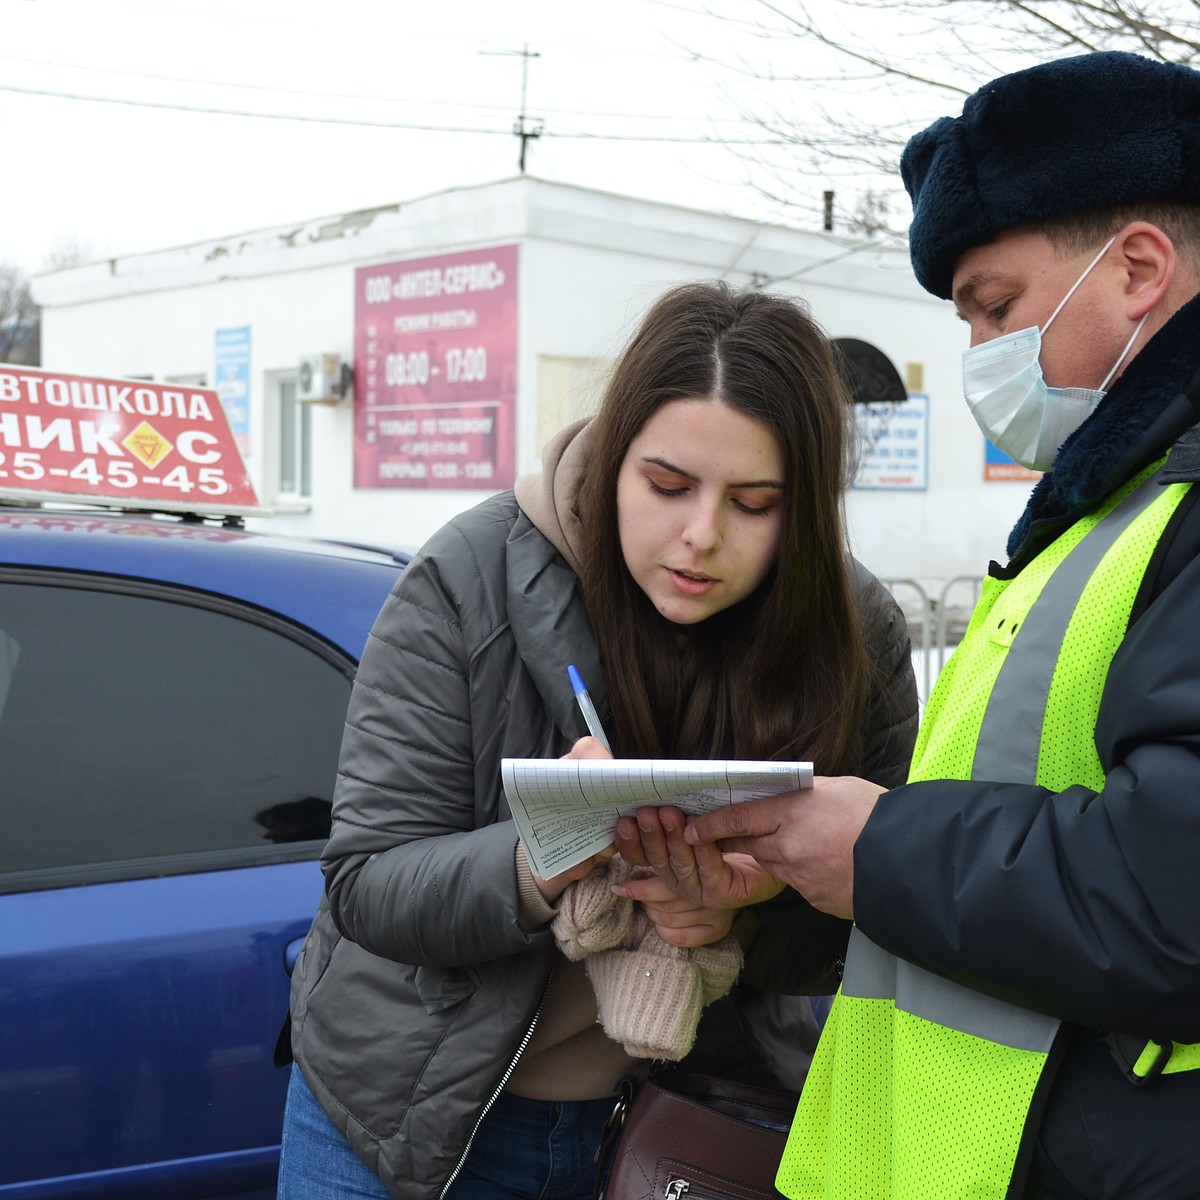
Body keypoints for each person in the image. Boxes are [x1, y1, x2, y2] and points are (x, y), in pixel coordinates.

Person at [644, 50, 1200, 1200]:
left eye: (997, 308)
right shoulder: (1116, 501)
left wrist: (877, 846)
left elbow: (1172, 891)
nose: (981, 356)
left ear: (1137, 267)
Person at [274, 279, 919, 1200]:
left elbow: (878, 909)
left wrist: (744, 912)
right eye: (667, 486)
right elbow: (369, 882)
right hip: (401, 1116)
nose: (701, 536)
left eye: (754, 502)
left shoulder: (855, 629)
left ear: (806, 504)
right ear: (616, 457)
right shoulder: (470, 575)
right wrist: (543, 858)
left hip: (677, 1125)